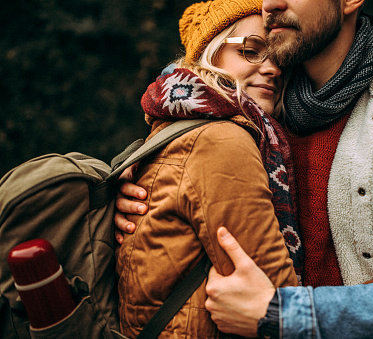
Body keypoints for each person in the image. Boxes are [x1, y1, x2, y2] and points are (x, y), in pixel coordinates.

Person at [116, 0, 373, 338]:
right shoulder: (243, 113)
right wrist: (141, 177)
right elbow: (194, 76)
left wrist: (284, 315)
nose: (270, 3)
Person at [115, 0, 303, 337]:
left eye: (278, 57)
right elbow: (276, 295)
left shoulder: (179, 124)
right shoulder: (221, 138)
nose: (273, 68)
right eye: (251, 50)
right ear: (210, 53)